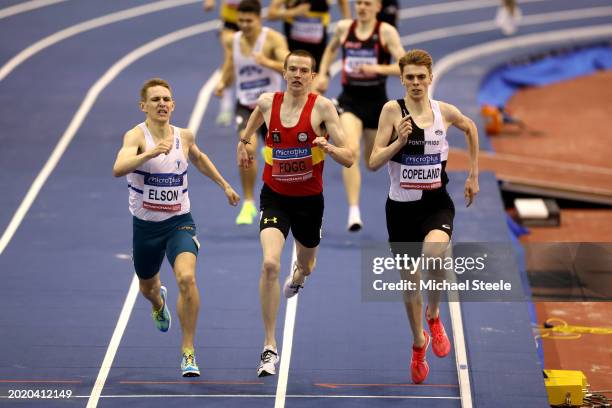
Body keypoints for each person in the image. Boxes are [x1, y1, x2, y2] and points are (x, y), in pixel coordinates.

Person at [112, 78, 240, 377]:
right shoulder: (136, 136)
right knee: (147, 288)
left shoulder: (184, 135)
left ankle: (188, 351)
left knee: (187, 279)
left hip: (179, 223)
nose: (162, 104)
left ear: (173, 105)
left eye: (166, 99)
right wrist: (150, 153)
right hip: (145, 228)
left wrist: (225, 186)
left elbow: (198, 158)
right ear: (143, 106)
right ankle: (158, 302)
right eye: (155, 99)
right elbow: (118, 168)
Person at [237, 50, 353, 377]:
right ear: (284, 73)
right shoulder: (266, 102)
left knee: (307, 264)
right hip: (274, 196)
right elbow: (252, 124)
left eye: (305, 70)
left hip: (309, 201)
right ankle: (269, 347)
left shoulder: (323, 108)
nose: (298, 75)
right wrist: (243, 142)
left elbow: (350, 156)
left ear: (313, 76)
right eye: (293, 69)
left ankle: (300, 277)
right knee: (271, 263)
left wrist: (330, 148)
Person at [369, 49, 479, 384]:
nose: (416, 83)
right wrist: (398, 141)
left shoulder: (442, 111)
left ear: (430, 78)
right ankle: (419, 343)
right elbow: (373, 161)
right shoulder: (392, 111)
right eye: (410, 78)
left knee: (435, 251)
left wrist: (473, 174)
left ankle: (434, 314)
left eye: (421, 77)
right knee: (409, 282)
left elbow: (470, 126)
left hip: (435, 203)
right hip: (400, 209)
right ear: (401, 79)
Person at [314, 0, 405, 232]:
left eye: (367, 3)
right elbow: (331, 48)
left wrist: (377, 69)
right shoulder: (345, 28)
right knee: (350, 152)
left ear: (378, 7)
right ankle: (354, 211)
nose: (362, 7)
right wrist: (323, 73)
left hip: (377, 105)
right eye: (359, 3)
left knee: (371, 163)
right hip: (350, 102)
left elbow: (404, 66)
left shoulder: (385, 32)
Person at [215, 0, 290, 225]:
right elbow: (230, 65)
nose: (245, 25)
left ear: (259, 19)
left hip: (272, 106)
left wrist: (266, 61)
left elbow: (290, 65)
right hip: (246, 105)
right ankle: (248, 203)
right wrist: (222, 83)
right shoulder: (233, 40)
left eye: (249, 21)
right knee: (246, 150)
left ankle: (283, 198)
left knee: (278, 156)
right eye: (241, 21)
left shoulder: (273, 39)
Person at [267, 0, 351, 72]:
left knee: (315, 81)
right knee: (294, 79)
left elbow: (343, 2)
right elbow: (271, 14)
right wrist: (294, 12)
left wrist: (348, 23)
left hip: (317, 47)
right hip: (294, 45)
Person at [203, 0, 246, 126]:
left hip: (249, 20)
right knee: (231, 58)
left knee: (247, 59)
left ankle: (247, 99)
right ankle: (226, 103)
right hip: (229, 22)